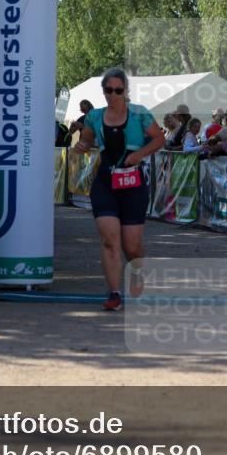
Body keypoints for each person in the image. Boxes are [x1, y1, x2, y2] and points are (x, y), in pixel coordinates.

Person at [73, 67, 165, 311]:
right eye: (108, 90)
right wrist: (81, 144)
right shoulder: (94, 115)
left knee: (131, 245)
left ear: (126, 92)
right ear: (103, 91)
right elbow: (88, 139)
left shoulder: (139, 114)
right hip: (105, 181)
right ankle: (114, 293)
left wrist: (139, 155)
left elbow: (159, 139)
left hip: (133, 183)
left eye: (118, 90)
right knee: (108, 239)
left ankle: (137, 271)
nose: (113, 94)